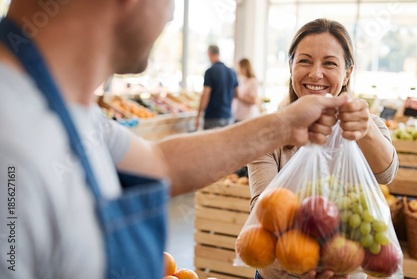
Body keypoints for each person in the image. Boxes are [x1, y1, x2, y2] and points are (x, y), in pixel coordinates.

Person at [0, 2, 352, 279]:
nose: (170, 14)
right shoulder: (13, 141)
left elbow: (161, 163)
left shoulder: (68, 112)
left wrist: (285, 125)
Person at [248, 18, 399, 279]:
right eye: (305, 61)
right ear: (291, 67)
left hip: (344, 268)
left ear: (348, 72)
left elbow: (386, 173)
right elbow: (263, 210)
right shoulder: (269, 130)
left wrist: (365, 130)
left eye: (329, 63)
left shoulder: (367, 124)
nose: (316, 74)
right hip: (283, 268)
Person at [195, 44, 238, 130]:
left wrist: (198, 115)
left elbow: (205, 95)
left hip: (213, 117)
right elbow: (237, 94)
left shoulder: (210, 71)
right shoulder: (231, 72)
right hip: (228, 117)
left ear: (210, 53)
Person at [232, 58, 260, 122]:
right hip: (237, 116)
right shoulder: (241, 80)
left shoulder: (253, 81)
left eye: (240, 68)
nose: (238, 70)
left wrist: (239, 96)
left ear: (245, 68)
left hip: (247, 117)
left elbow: (253, 100)